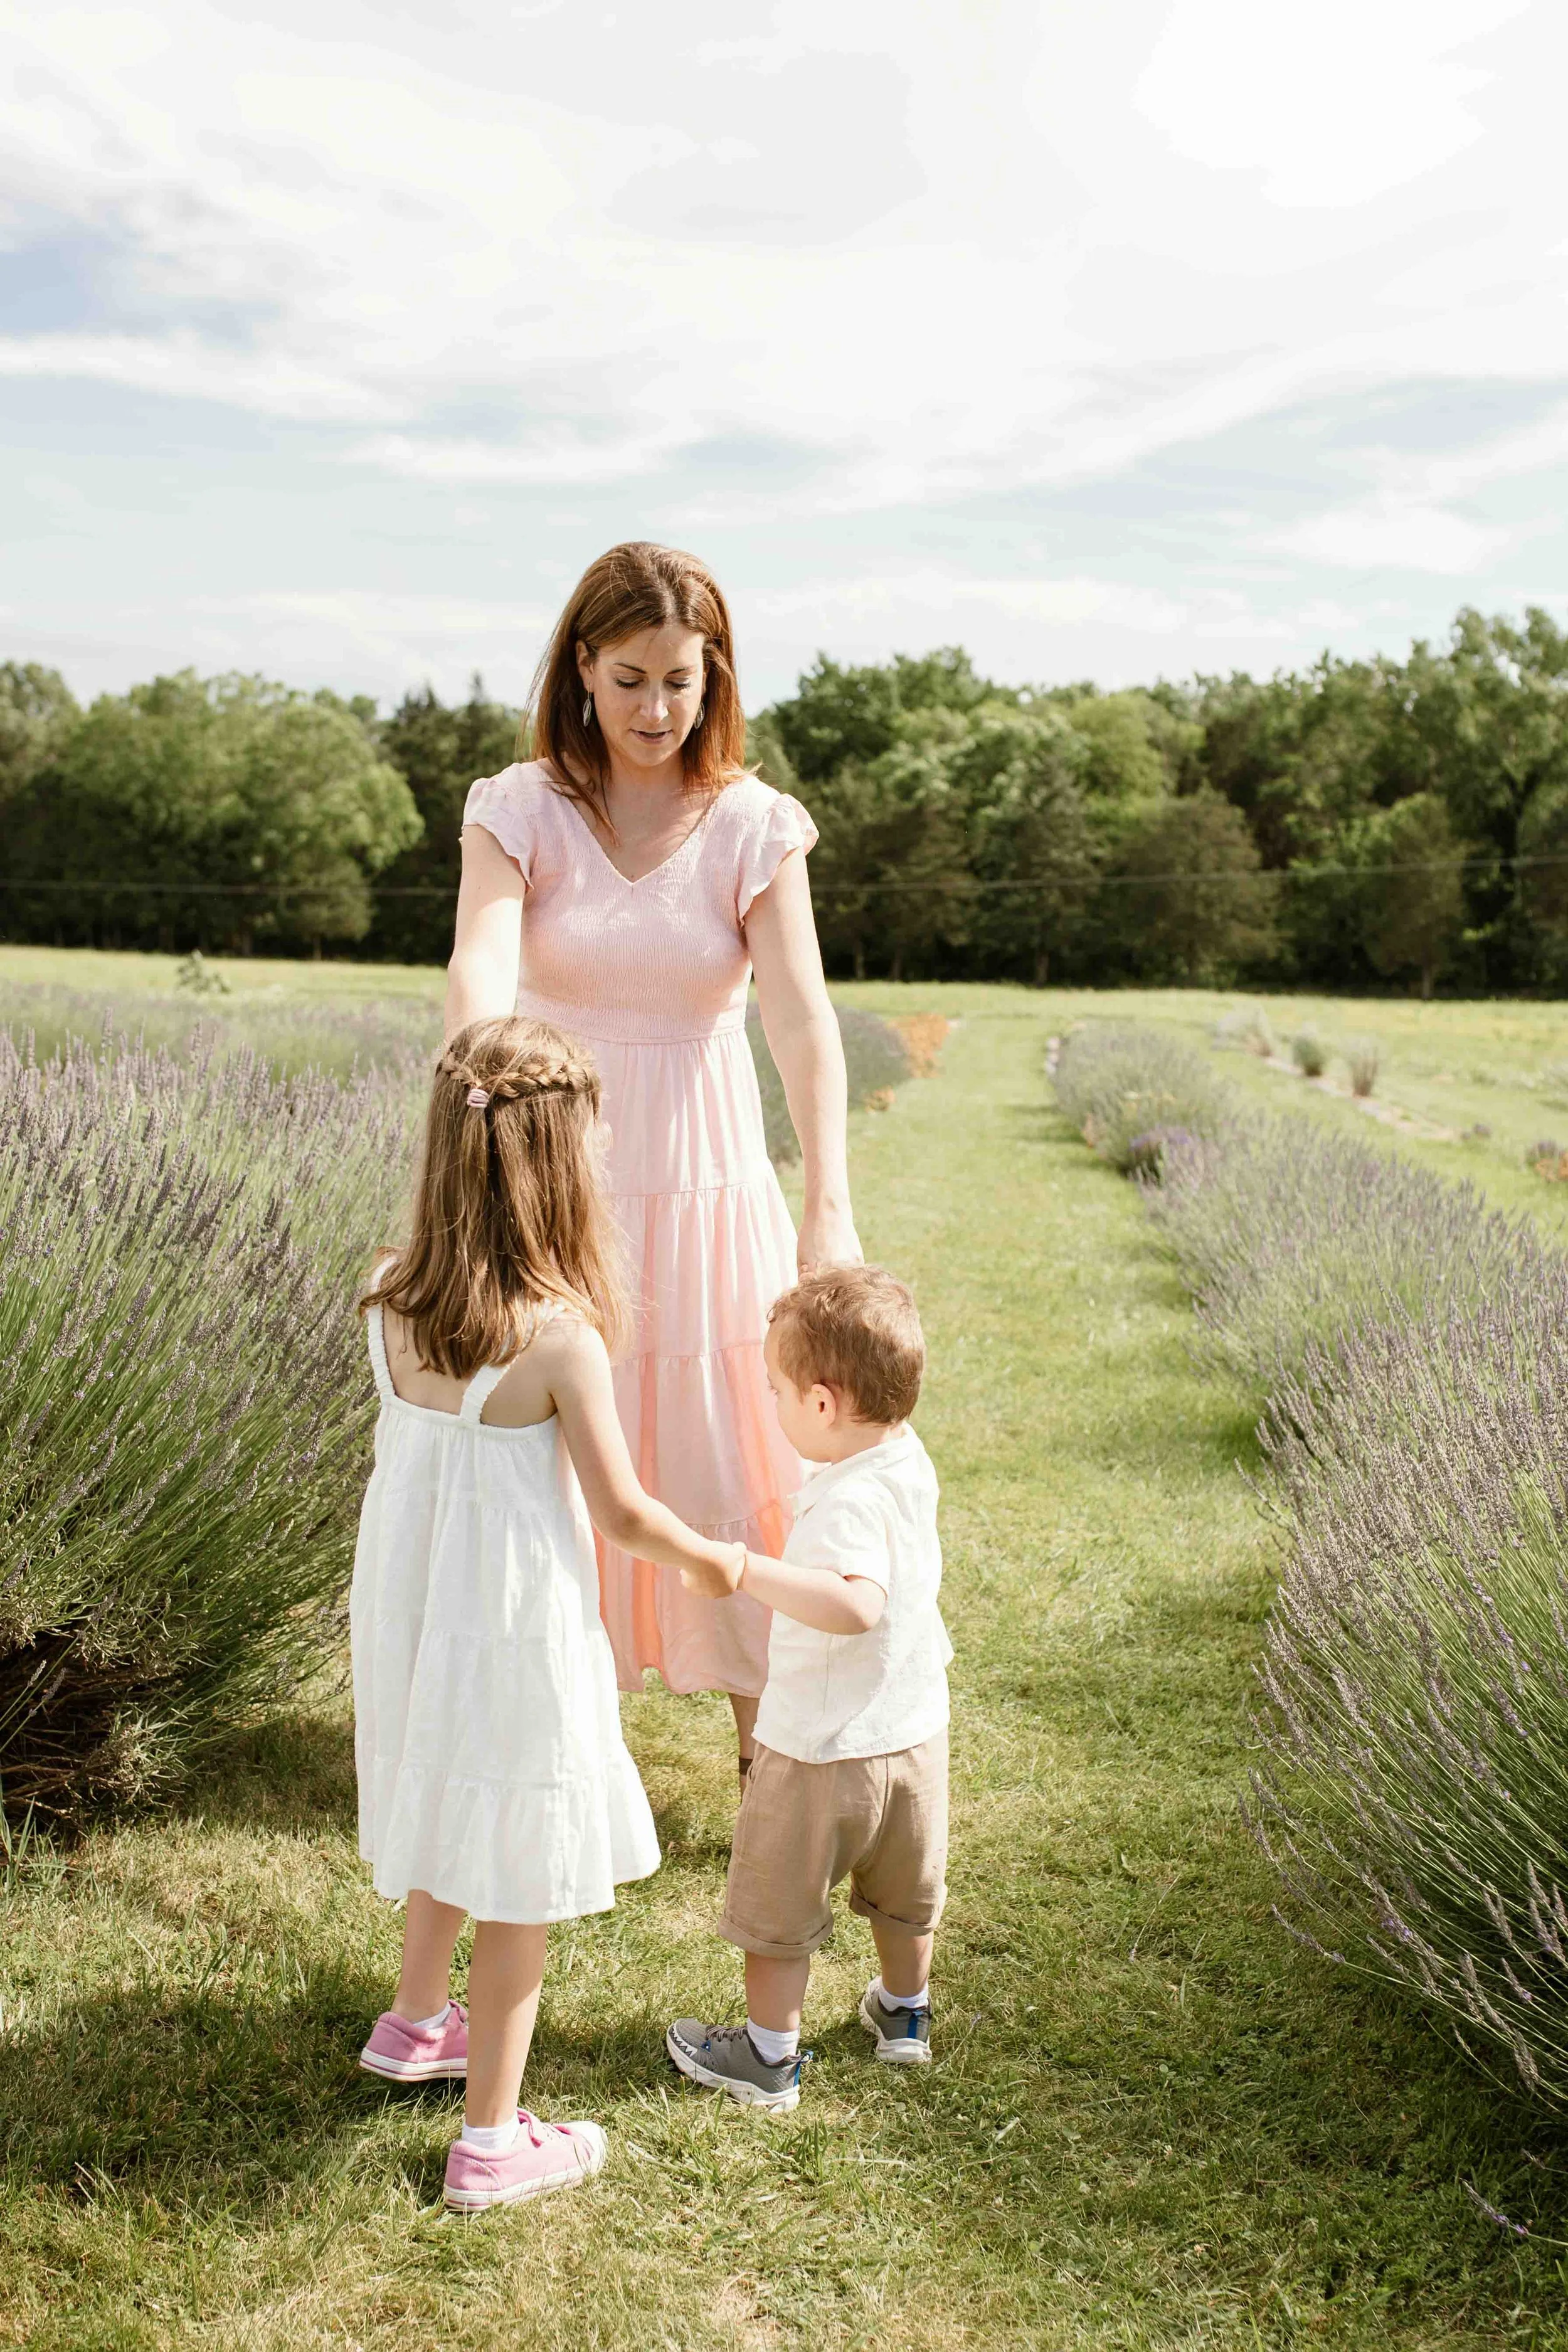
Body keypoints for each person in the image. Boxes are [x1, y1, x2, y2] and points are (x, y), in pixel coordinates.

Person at [445, 542, 860, 1776]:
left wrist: (828, 1203)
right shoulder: (518, 809)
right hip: (555, 1180)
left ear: (713, 675)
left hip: (709, 1187)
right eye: (628, 679)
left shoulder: (753, 825)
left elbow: (800, 1019)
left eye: (680, 681)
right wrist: (475, 1104)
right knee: (554, 1451)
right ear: (582, 667)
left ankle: (768, 1749)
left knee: (733, 1450)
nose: (654, 709)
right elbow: (478, 962)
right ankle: (557, 1752)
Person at [351, 1015, 745, 2212]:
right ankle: (489, 2144)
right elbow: (623, 1512)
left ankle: (418, 2018)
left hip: (416, 1610)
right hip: (511, 1625)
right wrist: (711, 1558)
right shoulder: (558, 1338)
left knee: (448, 1786)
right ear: (559, 1165)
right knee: (516, 1862)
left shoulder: (385, 1291)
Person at [665, 1266, 951, 2112]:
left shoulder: (846, 1502)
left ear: (823, 1404)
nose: (774, 1403)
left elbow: (857, 1603)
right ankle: (904, 2013)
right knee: (904, 1898)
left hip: (820, 1748)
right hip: (913, 1739)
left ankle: (768, 2056)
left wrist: (746, 1569)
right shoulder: (906, 1457)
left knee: (779, 1908)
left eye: (778, 1391)